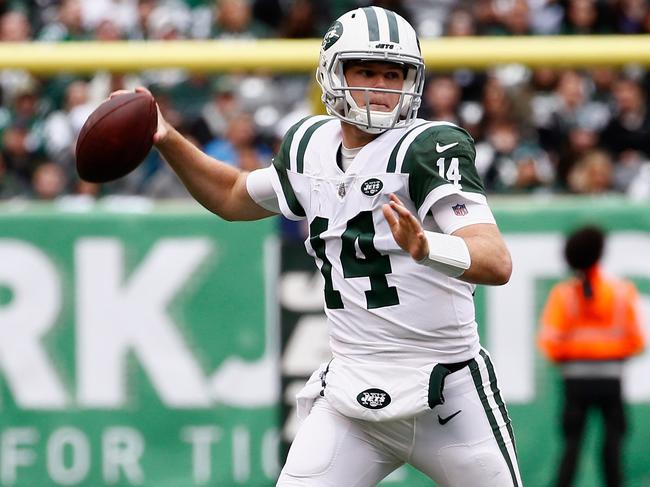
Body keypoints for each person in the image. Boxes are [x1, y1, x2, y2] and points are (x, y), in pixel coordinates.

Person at [114, 7, 521, 485]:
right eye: (365, 70)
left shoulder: (428, 147)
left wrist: (426, 246)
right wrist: (166, 138)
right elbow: (230, 195)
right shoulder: (310, 145)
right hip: (351, 395)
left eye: (393, 74)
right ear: (332, 71)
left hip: (448, 394)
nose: (380, 86)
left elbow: (495, 261)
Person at [538, 225, 645, 487]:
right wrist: (608, 353)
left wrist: (575, 355)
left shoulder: (563, 295)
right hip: (611, 381)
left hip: (575, 383)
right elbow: (637, 342)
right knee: (612, 450)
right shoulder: (621, 293)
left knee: (571, 447)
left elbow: (550, 344)